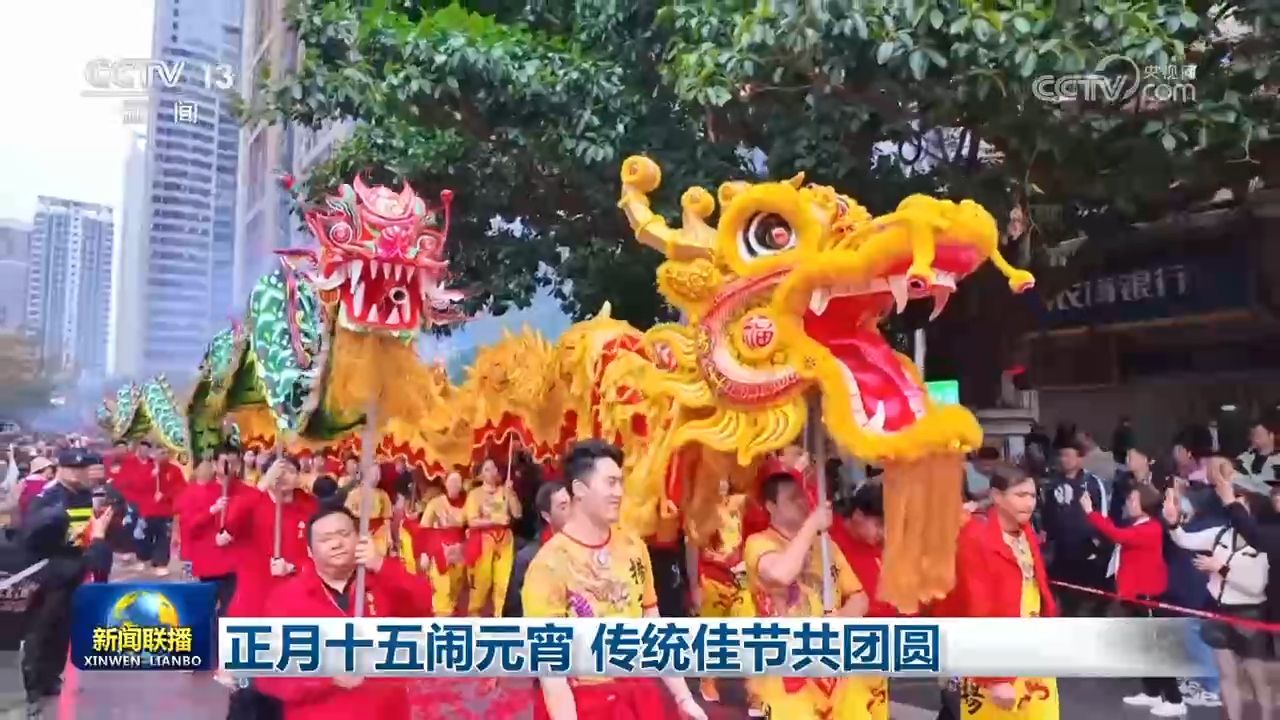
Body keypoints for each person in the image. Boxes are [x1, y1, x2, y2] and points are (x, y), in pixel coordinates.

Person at [522, 439, 707, 720]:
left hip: (637, 695)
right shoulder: (547, 566)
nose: (619, 493)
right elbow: (553, 675)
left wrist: (683, 697)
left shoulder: (634, 548)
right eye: (610, 483)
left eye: (621, 483)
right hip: (583, 703)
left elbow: (653, 625)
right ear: (579, 489)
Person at [255, 505, 433, 719]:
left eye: (344, 534)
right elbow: (268, 675)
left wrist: (380, 564)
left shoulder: (383, 583)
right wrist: (327, 677)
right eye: (325, 539)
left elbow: (424, 604)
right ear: (310, 551)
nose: (337, 543)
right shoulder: (286, 598)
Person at [743, 471, 877, 719]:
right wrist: (811, 526)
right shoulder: (759, 543)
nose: (802, 502)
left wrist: (842, 617)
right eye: (792, 498)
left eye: (801, 495)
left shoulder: (826, 546)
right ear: (771, 506)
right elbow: (781, 574)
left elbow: (860, 598)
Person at [942, 464, 1060, 719]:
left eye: (1032, 495)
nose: (1029, 503)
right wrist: (995, 676)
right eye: (1020, 495)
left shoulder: (1026, 533)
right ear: (997, 496)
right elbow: (977, 608)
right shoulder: (975, 538)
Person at [1165, 469, 1272, 720]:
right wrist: (1173, 523)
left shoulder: (1263, 541)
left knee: (1256, 676)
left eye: (1238, 499)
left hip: (1248, 613)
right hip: (1218, 609)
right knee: (1226, 674)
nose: (1230, 503)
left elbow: (1255, 586)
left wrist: (1221, 568)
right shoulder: (1222, 533)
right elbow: (1184, 540)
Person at [20, 448, 115, 719]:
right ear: (60, 469)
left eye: (82, 469)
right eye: (73, 469)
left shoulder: (85, 496)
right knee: (42, 630)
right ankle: (33, 687)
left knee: (63, 629)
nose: (79, 474)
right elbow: (32, 534)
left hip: (76, 570)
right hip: (51, 575)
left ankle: (52, 677)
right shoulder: (49, 497)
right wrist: (57, 517)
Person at [1082, 481, 1184, 715]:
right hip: (1135, 595)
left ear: (1144, 503)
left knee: (1157, 649)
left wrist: (1091, 513)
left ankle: (1175, 699)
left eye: (1133, 499)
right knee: (1143, 647)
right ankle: (1152, 692)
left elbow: (1117, 535)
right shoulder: (1138, 524)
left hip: (1148, 595)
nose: (1128, 502)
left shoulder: (1151, 528)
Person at [685, 477, 757, 708]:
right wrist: (694, 585)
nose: (722, 481)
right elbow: (692, 549)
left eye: (725, 476)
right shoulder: (699, 510)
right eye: (716, 476)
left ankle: (755, 688)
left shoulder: (740, 504)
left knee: (751, 629)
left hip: (740, 579)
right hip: (711, 580)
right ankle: (708, 680)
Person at [1041, 441, 1111, 616]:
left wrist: (1098, 542)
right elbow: (1048, 513)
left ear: (1080, 458)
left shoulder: (1093, 483)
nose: (1064, 459)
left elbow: (1103, 514)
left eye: (1069, 456)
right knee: (1066, 598)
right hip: (1062, 550)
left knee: (1092, 596)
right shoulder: (1053, 484)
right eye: (1062, 455)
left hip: (1087, 549)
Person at [175, 458, 248, 614]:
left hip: (229, 560)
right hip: (205, 560)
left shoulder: (229, 490)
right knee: (205, 607)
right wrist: (212, 510)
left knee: (229, 606)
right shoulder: (191, 493)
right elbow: (189, 525)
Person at [504, 480, 570, 618]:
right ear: (547, 516)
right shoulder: (529, 557)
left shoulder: (591, 548)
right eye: (563, 507)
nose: (572, 512)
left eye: (573, 504)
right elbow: (514, 611)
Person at [464, 458, 521, 616]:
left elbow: (517, 513)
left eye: (493, 468)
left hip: (505, 540)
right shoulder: (475, 495)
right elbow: (472, 521)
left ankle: (499, 617)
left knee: (503, 583)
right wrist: (495, 521)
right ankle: (474, 617)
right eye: (487, 469)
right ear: (481, 475)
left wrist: (511, 494)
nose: (491, 472)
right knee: (481, 584)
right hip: (483, 542)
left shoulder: (505, 491)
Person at [135, 446, 186, 576]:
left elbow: (181, 488)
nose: (165, 455)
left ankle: (161, 563)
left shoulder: (174, 470)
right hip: (146, 511)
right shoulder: (145, 468)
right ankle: (144, 558)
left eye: (167, 452)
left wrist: (165, 495)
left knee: (163, 537)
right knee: (144, 537)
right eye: (162, 452)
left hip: (165, 512)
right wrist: (150, 476)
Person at [1238, 419, 1279, 488]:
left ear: (1271, 436)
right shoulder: (1244, 458)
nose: (1255, 439)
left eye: (1259, 435)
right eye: (1252, 435)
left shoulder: (1277, 460)